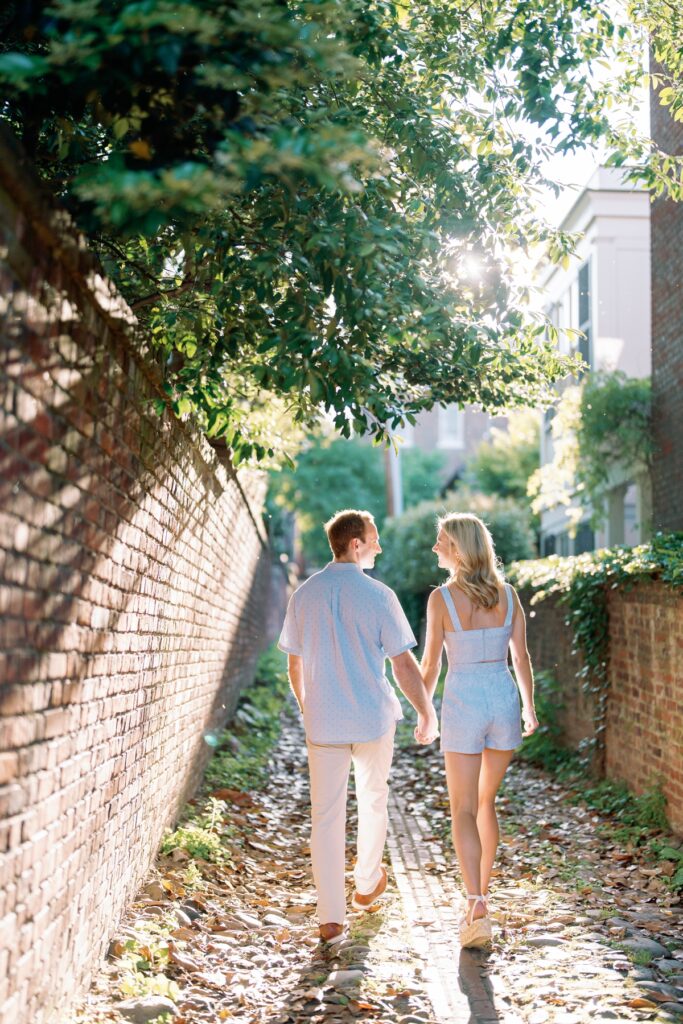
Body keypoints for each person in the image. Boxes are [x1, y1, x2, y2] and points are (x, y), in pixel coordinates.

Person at [278, 509, 439, 944]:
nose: (379, 546)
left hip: (324, 721)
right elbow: (403, 664)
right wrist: (426, 711)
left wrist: (307, 705)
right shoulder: (380, 596)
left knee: (325, 816)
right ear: (355, 544)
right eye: (375, 538)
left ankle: (331, 917)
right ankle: (367, 885)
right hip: (371, 719)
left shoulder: (304, 595)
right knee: (372, 799)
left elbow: (294, 663)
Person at [419, 513, 538, 948]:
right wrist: (529, 707)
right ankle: (481, 896)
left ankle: (475, 902)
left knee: (463, 808)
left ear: (458, 549)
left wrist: (424, 712)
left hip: (465, 701)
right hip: (502, 697)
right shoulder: (508, 595)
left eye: (441, 541)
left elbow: (431, 664)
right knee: (487, 803)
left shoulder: (442, 599)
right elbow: (521, 658)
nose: (435, 548)